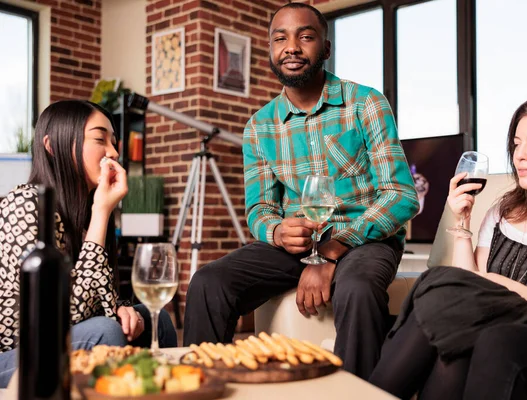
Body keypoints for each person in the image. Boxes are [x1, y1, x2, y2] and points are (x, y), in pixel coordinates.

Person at [183, 2, 419, 379]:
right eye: (281, 38)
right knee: (208, 282)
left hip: (364, 239)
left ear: (325, 49)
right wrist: (276, 231)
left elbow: (401, 195)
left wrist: (330, 254)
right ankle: (197, 385)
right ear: (271, 52)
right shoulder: (259, 127)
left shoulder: (366, 103)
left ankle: (354, 392)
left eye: (305, 36)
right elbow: (260, 208)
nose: (291, 46)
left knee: (356, 289)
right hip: (298, 244)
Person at [368, 94, 527, 399]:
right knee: (453, 339)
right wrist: (462, 225)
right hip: (484, 327)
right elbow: (470, 289)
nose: (520, 155)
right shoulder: (502, 211)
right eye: (517, 144)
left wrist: (506, 288)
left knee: (440, 288)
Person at [0, 100, 177, 387]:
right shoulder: (26, 205)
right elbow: (55, 321)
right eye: (100, 139)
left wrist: (120, 307)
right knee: (104, 332)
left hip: (64, 334)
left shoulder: (84, 209)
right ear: (53, 146)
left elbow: (93, 294)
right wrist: (102, 213)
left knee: (155, 319)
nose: (114, 152)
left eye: (114, 141)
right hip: (17, 353)